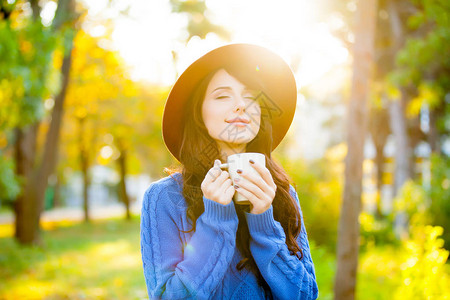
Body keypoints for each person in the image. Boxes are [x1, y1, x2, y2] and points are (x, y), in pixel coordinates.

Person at [140, 44, 319, 300]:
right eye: (222, 96)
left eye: (251, 96)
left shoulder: (281, 192)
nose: (240, 106)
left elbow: (305, 295)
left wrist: (263, 221)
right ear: (199, 113)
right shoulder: (164, 197)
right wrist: (216, 220)